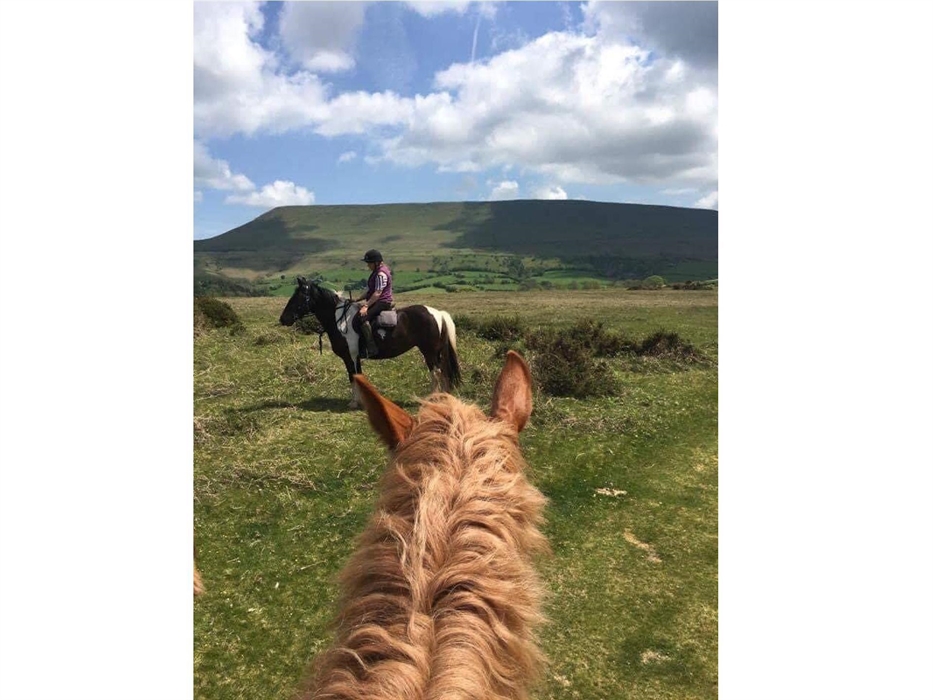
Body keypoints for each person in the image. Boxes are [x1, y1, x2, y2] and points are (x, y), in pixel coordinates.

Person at [358, 249, 393, 356]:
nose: (368, 265)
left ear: (376, 263)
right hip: (377, 300)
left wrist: (366, 306)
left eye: (369, 263)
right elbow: (370, 291)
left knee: (362, 319)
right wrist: (357, 299)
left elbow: (377, 293)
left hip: (382, 302)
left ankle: (371, 347)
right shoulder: (376, 272)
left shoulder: (381, 274)